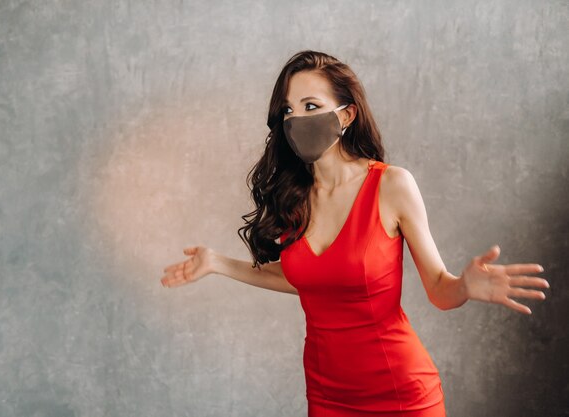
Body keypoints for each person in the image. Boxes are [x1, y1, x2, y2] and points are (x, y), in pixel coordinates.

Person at [160, 50, 550, 417]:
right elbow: (310, 279)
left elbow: (438, 288)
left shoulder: (391, 186)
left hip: (399, 392)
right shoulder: (294, 198)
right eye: (288, 111)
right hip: (327, 394)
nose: (297, 120)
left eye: (311, 106)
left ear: (346, 115)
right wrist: (217, 263)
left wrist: (464, 285)